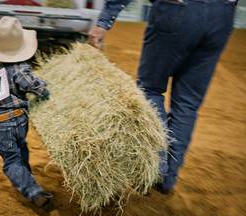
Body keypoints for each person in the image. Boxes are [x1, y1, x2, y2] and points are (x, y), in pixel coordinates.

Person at [88, 0, 237, 194]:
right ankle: (168, 178)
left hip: (176, 10)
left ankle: (155, 166)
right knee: (188, 104)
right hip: (222, 15)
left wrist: (104, 21)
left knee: (151, 89)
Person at [0, 16, 55, 210]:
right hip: (20, 119)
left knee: (11, 159)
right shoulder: (20, 67)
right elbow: (32, 85)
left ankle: (32, 190)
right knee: (22, 146)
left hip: (1, 123)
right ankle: (31, 184)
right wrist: (44, 89)